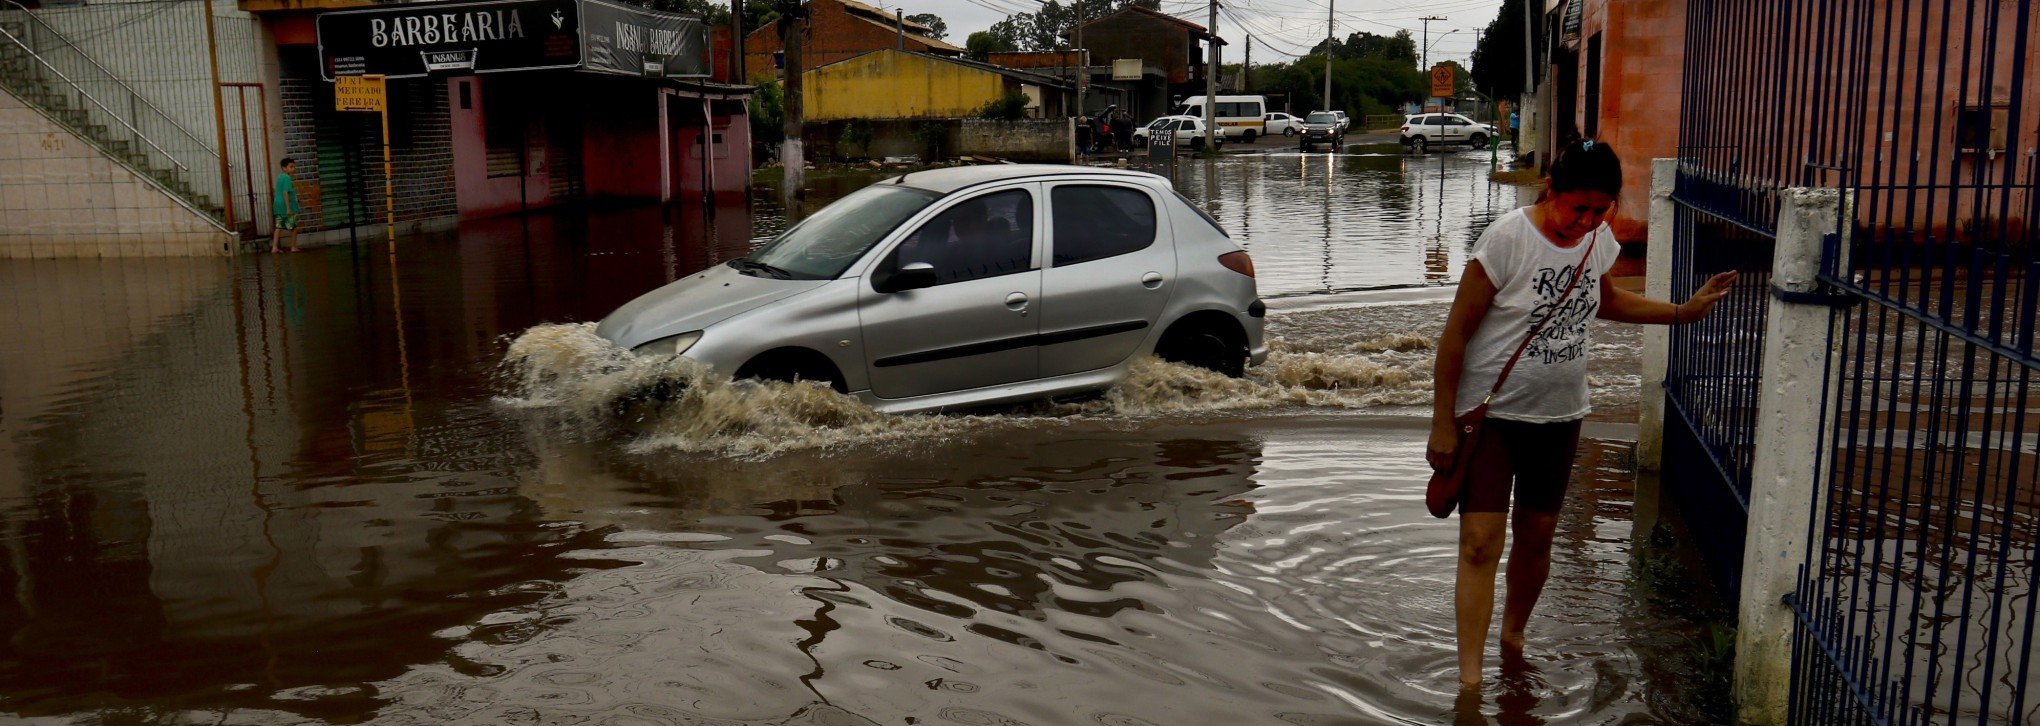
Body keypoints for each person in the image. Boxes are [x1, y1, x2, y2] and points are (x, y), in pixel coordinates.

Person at [1428, 138, 1737, 688]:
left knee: (1538, 534)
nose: (1588, 221)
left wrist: (1681, 312)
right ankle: (1471, 683)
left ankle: (1514, 639)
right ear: (1552, 191)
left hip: (1560, 416)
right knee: (1479, 544)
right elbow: (1455, 336)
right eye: (1579, 209)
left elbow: (1607, 301)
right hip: (1493, 418)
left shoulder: (1598, 241)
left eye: (1601, 210)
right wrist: (1442, 422)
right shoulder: (1507, 239)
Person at [271, 158, 302, 253]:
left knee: (279, 226)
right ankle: (293, 247)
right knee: (293, 227)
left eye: (293, 166)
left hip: (278, 205)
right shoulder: (287, 178)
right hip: (286, 205)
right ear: (284, 168)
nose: (293, 169)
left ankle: (274, 247)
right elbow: (285, 192)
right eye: (291, 167)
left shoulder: (280, 177)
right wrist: (288, 208)